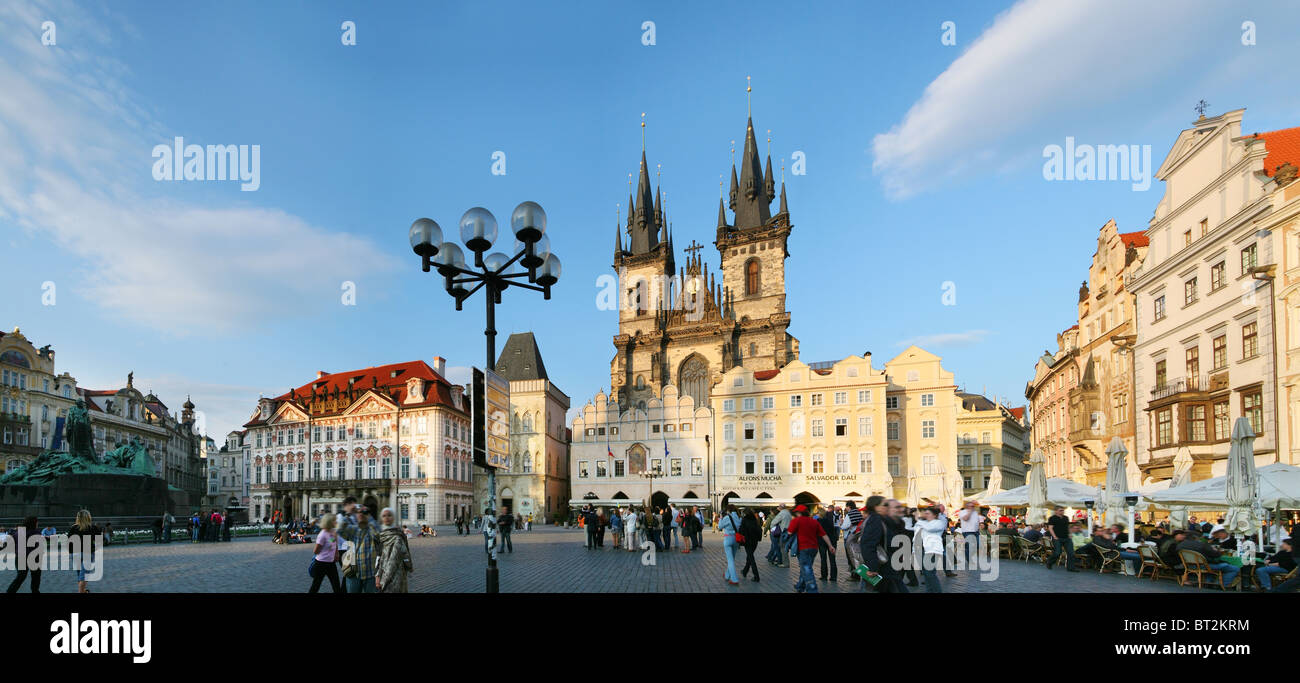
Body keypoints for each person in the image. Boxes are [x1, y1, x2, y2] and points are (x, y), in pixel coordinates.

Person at [859, 497, 907, 593]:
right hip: (882, 569)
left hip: (888, 568)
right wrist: (872, 568)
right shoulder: (875, 520)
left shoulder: (883, 519)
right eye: (885, 505)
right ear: (876, 507)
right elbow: (868, 544)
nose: (887, 507)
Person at [787, 504, 834, 593]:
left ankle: (812, 589)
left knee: (806, 569)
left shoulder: (796, 521)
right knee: (806, 567)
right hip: (814, 548)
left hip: (802, 548)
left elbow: (789, 532)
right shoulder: (814, 521)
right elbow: (823, 534)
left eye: (796, 512)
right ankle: (800, 586)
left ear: (799, 513)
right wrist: (830, 546)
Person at [338, 504, 380, 593]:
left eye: (364, 512)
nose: (361, 514)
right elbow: (339, 530)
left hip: (370, 573)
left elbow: (378, 535)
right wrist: (348, 513)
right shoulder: (353, 529)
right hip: (354, 572)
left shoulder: (371, 529)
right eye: (358, 512)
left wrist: (369, 516)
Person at [376, 508, 413, 593]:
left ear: (393, 517)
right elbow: (378, 555)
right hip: (383, 570)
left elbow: (405, 553)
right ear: (381, 518)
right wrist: (377, 575)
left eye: (389, 515)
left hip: (398, 572)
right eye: (384, 516)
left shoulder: (399, 534)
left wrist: (408, 565)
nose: (387, 518)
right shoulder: (379, 535)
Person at [913, 506, 948, 593]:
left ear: (935, 515)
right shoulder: (924, 522)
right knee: (926, 573)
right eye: (925, 513)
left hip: (933, 550)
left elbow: (930, 528)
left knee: (930, 573)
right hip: (922, 549)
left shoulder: (939, 522)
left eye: (928, 513)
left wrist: (918, 520)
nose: (925, 515)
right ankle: (930, 591)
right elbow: (914, 530)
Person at [66, 510, 101, 594]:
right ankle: (81, 591)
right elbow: (100, 541)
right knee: (84, 576)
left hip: (75, 553)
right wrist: (94, 548)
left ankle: (84, 591)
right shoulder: (93, 527)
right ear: (88, 517)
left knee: (80, 575)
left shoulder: (73, 528)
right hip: (87, 553)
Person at [5, 517, 42, 593]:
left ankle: (10, 591)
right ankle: (35, 591)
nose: (38, 523)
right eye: (37, 522)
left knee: (20, 577)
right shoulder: (36, 532)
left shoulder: (19, 532)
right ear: (33, 523)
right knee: (36, 577)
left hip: (20, 557)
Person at [309, 513, 343, 594]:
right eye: (334, 521)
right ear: (329, 522)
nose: (336, 522)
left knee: (336, 585)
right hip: (321, 563)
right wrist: (325, 550)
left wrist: (336, 553)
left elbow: (332, 543)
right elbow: (316, 551)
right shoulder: (322, 535)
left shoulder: (332, 531)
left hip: (331, 563)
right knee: (316, 585)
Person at [1044, 505, 1079, 572]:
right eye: (1060, 510)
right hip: (1057, 538)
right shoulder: (1052, 518)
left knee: (1071, 553)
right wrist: (1054, 536)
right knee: (1057, 552)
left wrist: (1070, 534)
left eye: (1063, 510)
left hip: (1066, 538)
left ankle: (1071, 568)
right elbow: (1050, 528)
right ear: (1056, 511)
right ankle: (1049, 562)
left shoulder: (1066, 518)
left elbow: (1068, 527)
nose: (1062, 512)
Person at [841, 501, 865, 580]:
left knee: (850, 556)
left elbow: (845, 526)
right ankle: (858, 574)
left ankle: (855, 576)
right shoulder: (858, 513)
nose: (846, 508)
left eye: (846, 507)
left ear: (849, 506)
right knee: (857, 556)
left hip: (850, 536)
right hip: (858, 536)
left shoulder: (849, 514)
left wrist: (841, 524)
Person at [719, 505, 742, 585]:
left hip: (728, 538)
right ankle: (727, 575)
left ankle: (734, 579)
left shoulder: (727, 517)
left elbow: (719, 527)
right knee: (732, 558)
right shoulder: (739, 517)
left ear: (728, 510)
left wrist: (721, 518)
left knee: (730, 560)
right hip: (737, 539)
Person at [957, 501, 984, 567]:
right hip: (967, 531)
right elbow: (965, 519)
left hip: (976, 531)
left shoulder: (975, 512)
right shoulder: (962, 512)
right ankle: (969, 560)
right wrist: (969, 512)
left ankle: (968, 555)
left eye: (973, 506)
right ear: (967, 507)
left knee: (978, 544)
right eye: (971, 506)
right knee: (969, 546)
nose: (973, 507)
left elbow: (976, 521)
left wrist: (980, 525)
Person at [739, 508, 762, 582]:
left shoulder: (744, 520)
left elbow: (741, 531)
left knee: (751, 558)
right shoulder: (755, 520)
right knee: (750, 556)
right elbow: (759, 530)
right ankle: (745, 571)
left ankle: (756, 576)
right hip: (754, 542)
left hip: (747, 541)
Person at [817, 506, 839, 581]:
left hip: (822, 542)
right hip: (832, 541)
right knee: (832, 559)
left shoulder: (818, 521)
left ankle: (824, 576)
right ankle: (833, 576)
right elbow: (833, 530)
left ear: (819, 514)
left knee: (823, 559)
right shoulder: (829, 521)